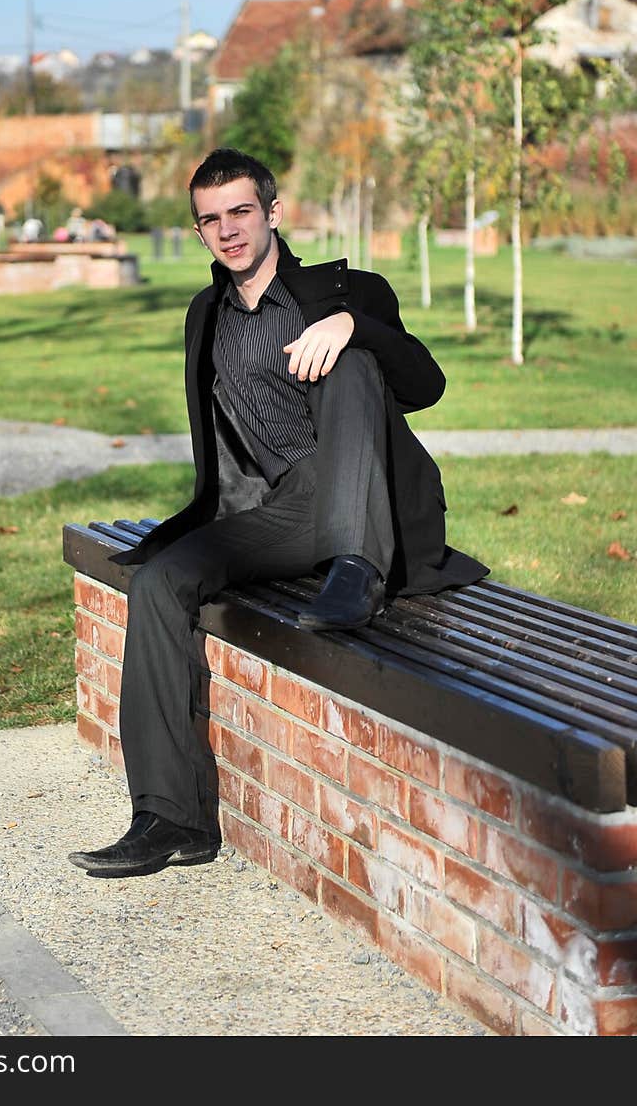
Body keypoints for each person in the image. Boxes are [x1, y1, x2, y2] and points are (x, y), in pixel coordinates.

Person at [69, 149, 488, 879]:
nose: (228, 230)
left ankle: (356, 564)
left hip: (373, 493)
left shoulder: (344, 288)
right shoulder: (209, 315)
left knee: (351, 359)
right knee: (160, 582)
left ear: (273, 213)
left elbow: (426, 384)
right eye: (211, 219)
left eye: (240, 211)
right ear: (199, 232)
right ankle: (169, 818)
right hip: (288, 502)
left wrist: (354, 325)